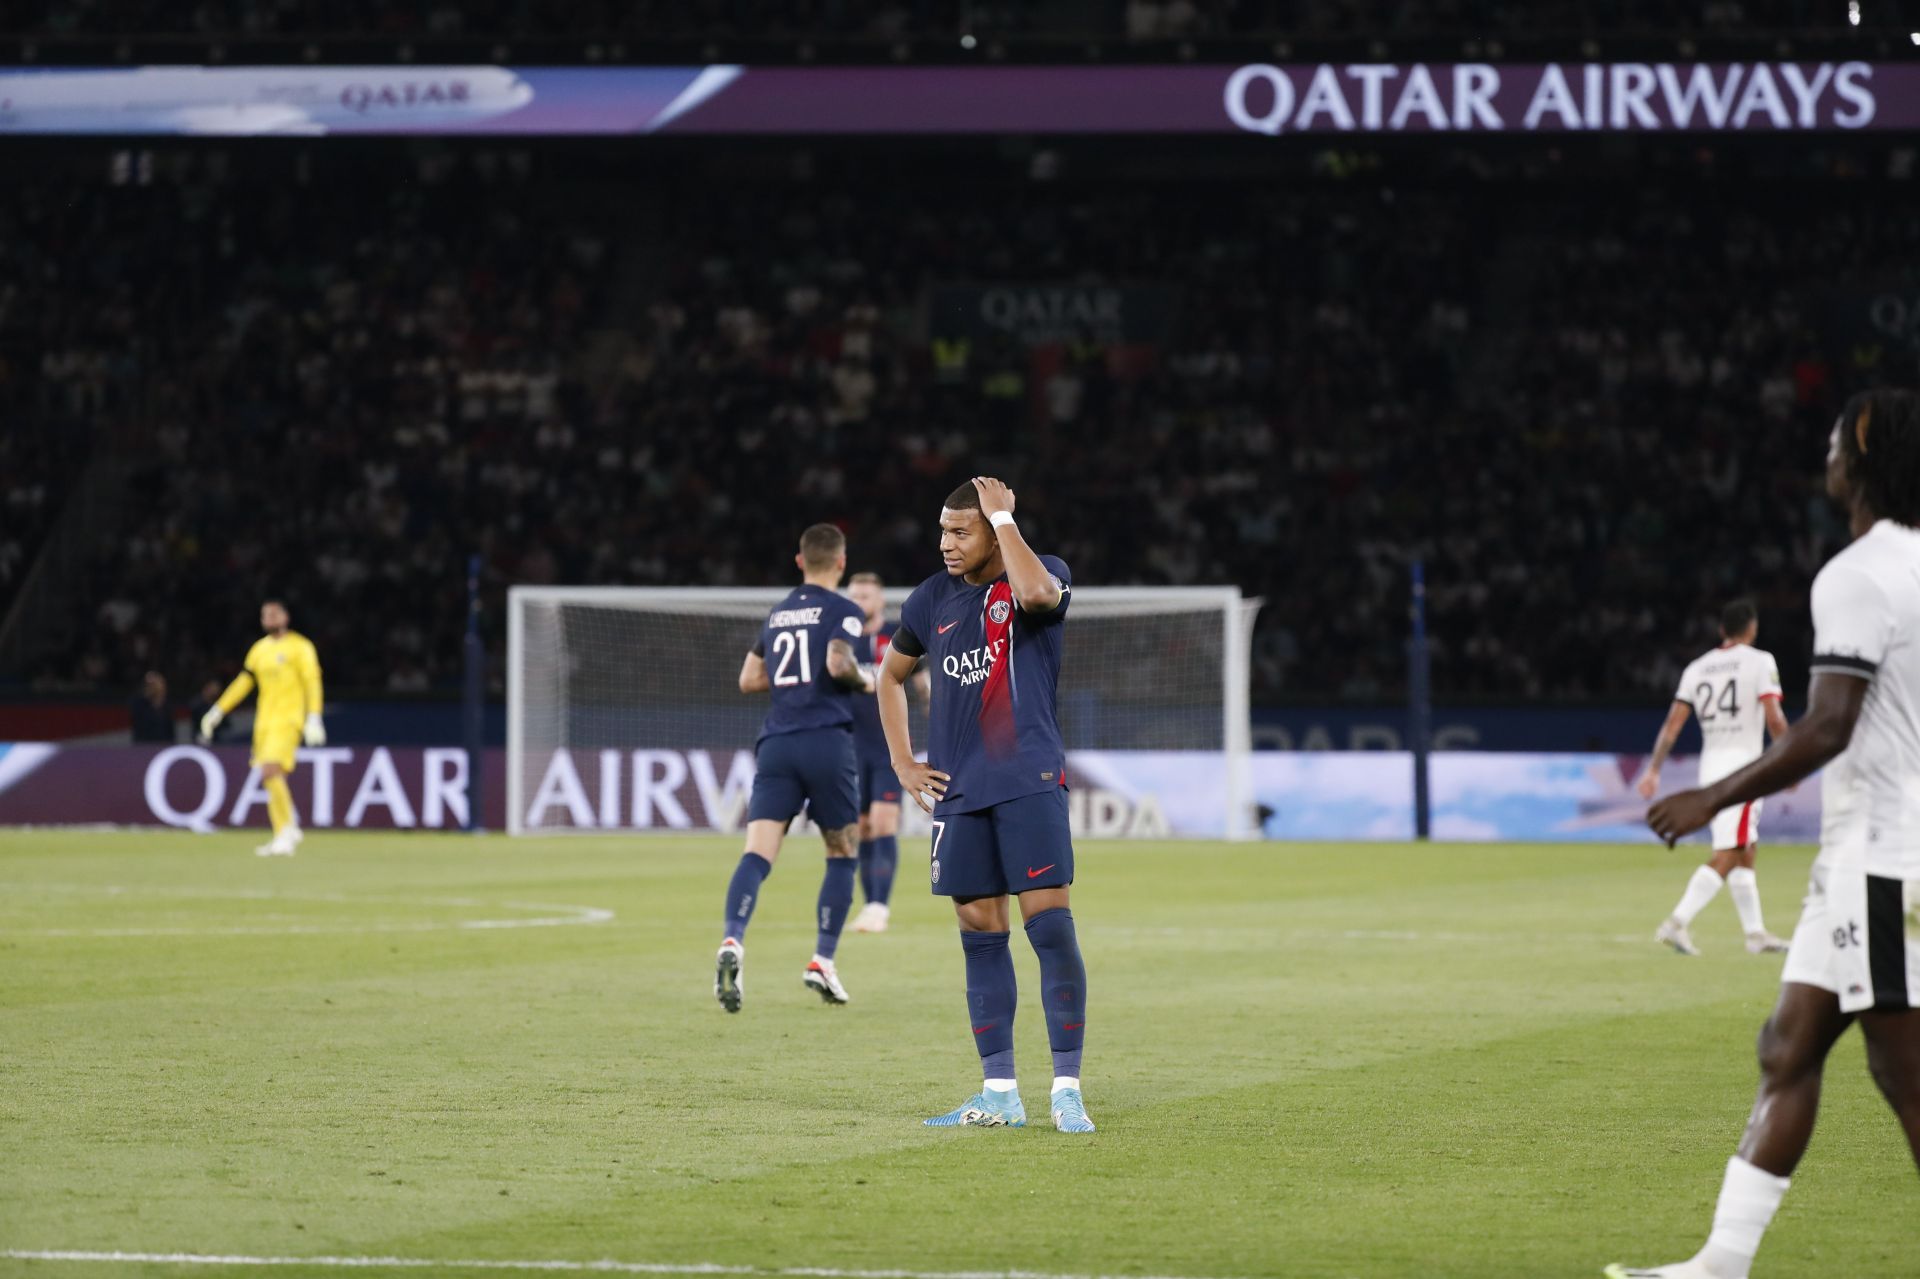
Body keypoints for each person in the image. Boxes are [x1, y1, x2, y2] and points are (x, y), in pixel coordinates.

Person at [1611, 390, 1920, 1279]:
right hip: (1859, 857)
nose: (1824, 453)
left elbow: (1826, 726)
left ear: (1861, 450)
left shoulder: (1856, 573)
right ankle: (1719, 1265)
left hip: (1882, 858)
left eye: (1832, 439)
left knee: (1906, 1076)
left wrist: (1709, 799)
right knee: (1787, 1044)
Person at [876, 477, 1094, 1133]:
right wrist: (902, 759)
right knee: (979, 934)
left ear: (994, 527)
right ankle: (1000, 1090)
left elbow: (1034, 594)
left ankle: (1066, 1088)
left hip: (1028, 778)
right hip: (960, 791)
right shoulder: (931, 598)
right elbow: (889, 676)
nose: (944, 543)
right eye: (942, 530)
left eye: (959, 530)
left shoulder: (1040, 572)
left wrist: (1002, 521)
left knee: (1049, 928)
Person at [716, 523, 871, 1013]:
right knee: (842, 850)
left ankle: (733, 940)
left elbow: (747, 678)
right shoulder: (845, 610)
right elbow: (838, 664)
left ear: (799, 561)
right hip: (825, 740)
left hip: (777, 743)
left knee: (757, 853)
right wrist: (866, 681)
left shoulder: (779, 613)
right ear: (841, 563)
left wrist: (790, 683)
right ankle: (822, 960)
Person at [1635, 600, 1791, 956]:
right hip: (1746, 769)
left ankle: (1755, 934)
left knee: (1746, 847)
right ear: (1751, 628)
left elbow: (1672, 726)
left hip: (1711, 768)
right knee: (1732, 850)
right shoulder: (1760, 661)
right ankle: (1676, 923)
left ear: (1722, 630)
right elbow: (1775, 718)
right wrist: (1787, 761)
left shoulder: (1697, 668)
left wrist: (1654, 768)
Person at [198, 600, 325, 857]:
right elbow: (243, 683)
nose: (269, 618)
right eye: (265, 615)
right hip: (264, 723)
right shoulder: (259, 650)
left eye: (274, 613)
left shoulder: (301, 647)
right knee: (270, 776)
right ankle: (286, 829)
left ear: (286, 617)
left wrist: (314, 716)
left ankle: (285, 831)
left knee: (270, 770)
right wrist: (218, 710)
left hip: (288, 720)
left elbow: (312, 681)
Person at [845, 571, 915, 934]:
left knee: (885, 822)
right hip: (850, 747)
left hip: (889, 746)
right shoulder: (840, 640)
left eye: (866, 596)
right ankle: (869, 905)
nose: (859, 601)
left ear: (880, 600)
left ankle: (879, 907)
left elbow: (921, 680)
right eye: (854, 595)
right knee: (862, 827)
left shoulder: (897, 636)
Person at [129, 671, 175, 743]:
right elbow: (139, 724)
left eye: (155, 684)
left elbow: (170, 730)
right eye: (149, 685)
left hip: (164, 745)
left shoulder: (167, 705)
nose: (153, 687)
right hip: (143, 745)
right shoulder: (139, 703)